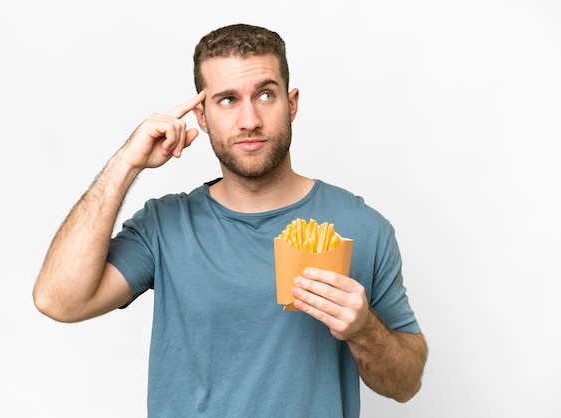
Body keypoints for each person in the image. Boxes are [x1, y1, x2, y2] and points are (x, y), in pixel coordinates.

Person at [33, 23, 428, 417]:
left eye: (266, 94)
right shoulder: (166, 226)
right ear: (201, 117)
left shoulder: (361, 227)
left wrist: (363, 330)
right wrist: (126, 163)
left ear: (291, 103)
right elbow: (58, 300)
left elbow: (407, 384)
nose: (249, 120)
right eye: (227, 100)